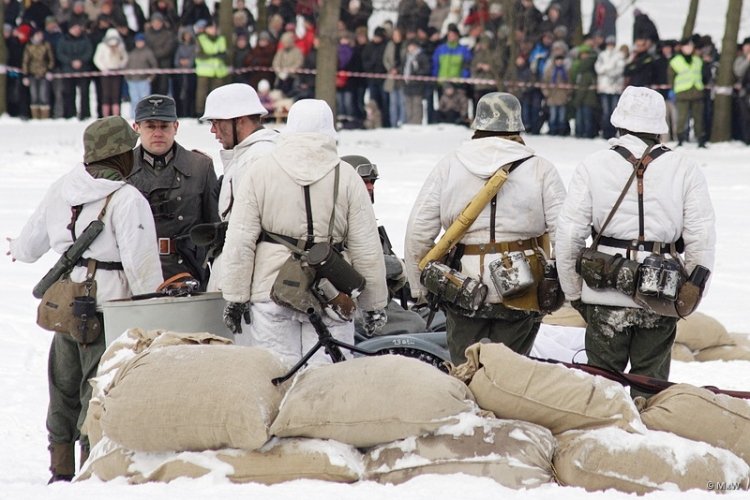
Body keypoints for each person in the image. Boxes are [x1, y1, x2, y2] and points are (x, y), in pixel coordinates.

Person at [6, 116, 163, 483]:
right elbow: (142, 269)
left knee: (62, 390)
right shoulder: (127, 199)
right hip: (108, 311)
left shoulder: (62, 187)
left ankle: (60, 471)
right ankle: (92, 474)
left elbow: (27, 249)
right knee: (99, 391)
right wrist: (154, 315)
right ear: (122, 154)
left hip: (65, 308)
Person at [554, 86, 716, 398]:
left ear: (620, 121)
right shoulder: (684, 167)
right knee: (651, 389)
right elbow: (701, 235)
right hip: (663, 291)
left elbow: (569, 235)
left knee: (601, 391)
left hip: (604, 287)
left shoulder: (594, 164)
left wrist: (574, 291)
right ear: (659, 125)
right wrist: (693, 292)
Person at [220, 99, 388, 364]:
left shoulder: (259, 172)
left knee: (277, 374)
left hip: (271, 290)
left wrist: (235, 297)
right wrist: (373, 305)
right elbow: (366, 247)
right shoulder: (347, 177)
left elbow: (240, 240)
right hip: (332, 289)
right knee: (329, 383)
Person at [404, 92, 566, 364]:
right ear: (516, 124)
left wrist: (419, 287)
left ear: (478, 124)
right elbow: (565, 231)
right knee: (510, 374)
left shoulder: (450, 165)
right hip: (522, 285)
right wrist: (564, 284)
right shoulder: (540, 168)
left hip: (462, 283)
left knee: (464, 369)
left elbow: (418, 231)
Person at [128, 94, 220, 287]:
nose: (158, 133)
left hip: (188, 270)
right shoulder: (122, 169)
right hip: (136, 273)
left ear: (176, 127)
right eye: (150, 126)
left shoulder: (200, 167)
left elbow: (215, 230)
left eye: (164, 126)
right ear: (136, 128)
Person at [201, 83, 279, 293]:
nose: (212, 130)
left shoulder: (255, 160)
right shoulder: (248, 156)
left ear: (240, 120)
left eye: (216, 122)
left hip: (253, 283)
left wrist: (235, 292)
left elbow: (245, 233)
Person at [342, 154, 428, 336]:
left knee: (440, 316)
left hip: (384, 300)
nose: (370, 186)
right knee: (416, 325)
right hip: (362, 308)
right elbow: (357, 264)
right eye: (364, 182)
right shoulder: (340, 222)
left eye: (372, 181)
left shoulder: (367, 219)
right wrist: (396, 266)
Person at [669, 37, 706, 147]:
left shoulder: (698, 60)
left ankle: (700, 139)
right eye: (686, 46)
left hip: (697, 91)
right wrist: (672, 89)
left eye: (690, 46)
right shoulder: (675, 61)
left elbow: (703, 75)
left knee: (698, 118)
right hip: (682, 93)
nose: (689, 48)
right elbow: (671, 77)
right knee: (682, 118)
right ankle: (680, 138)